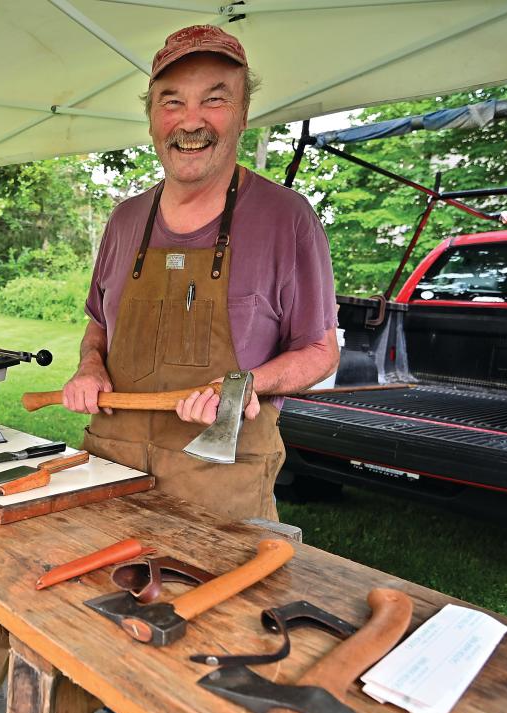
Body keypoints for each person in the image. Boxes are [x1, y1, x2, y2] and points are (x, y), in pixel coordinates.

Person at [62, 24, 339, 522]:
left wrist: (246, 384)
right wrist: (89, 366)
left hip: (220, 488)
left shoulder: (287, 219)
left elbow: (320, 351)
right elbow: (99, 324)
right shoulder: (125, 220)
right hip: (111, 475)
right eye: (171, 103)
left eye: (214, 100)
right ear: (151, 117)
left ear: (243, 113)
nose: (191, 123)